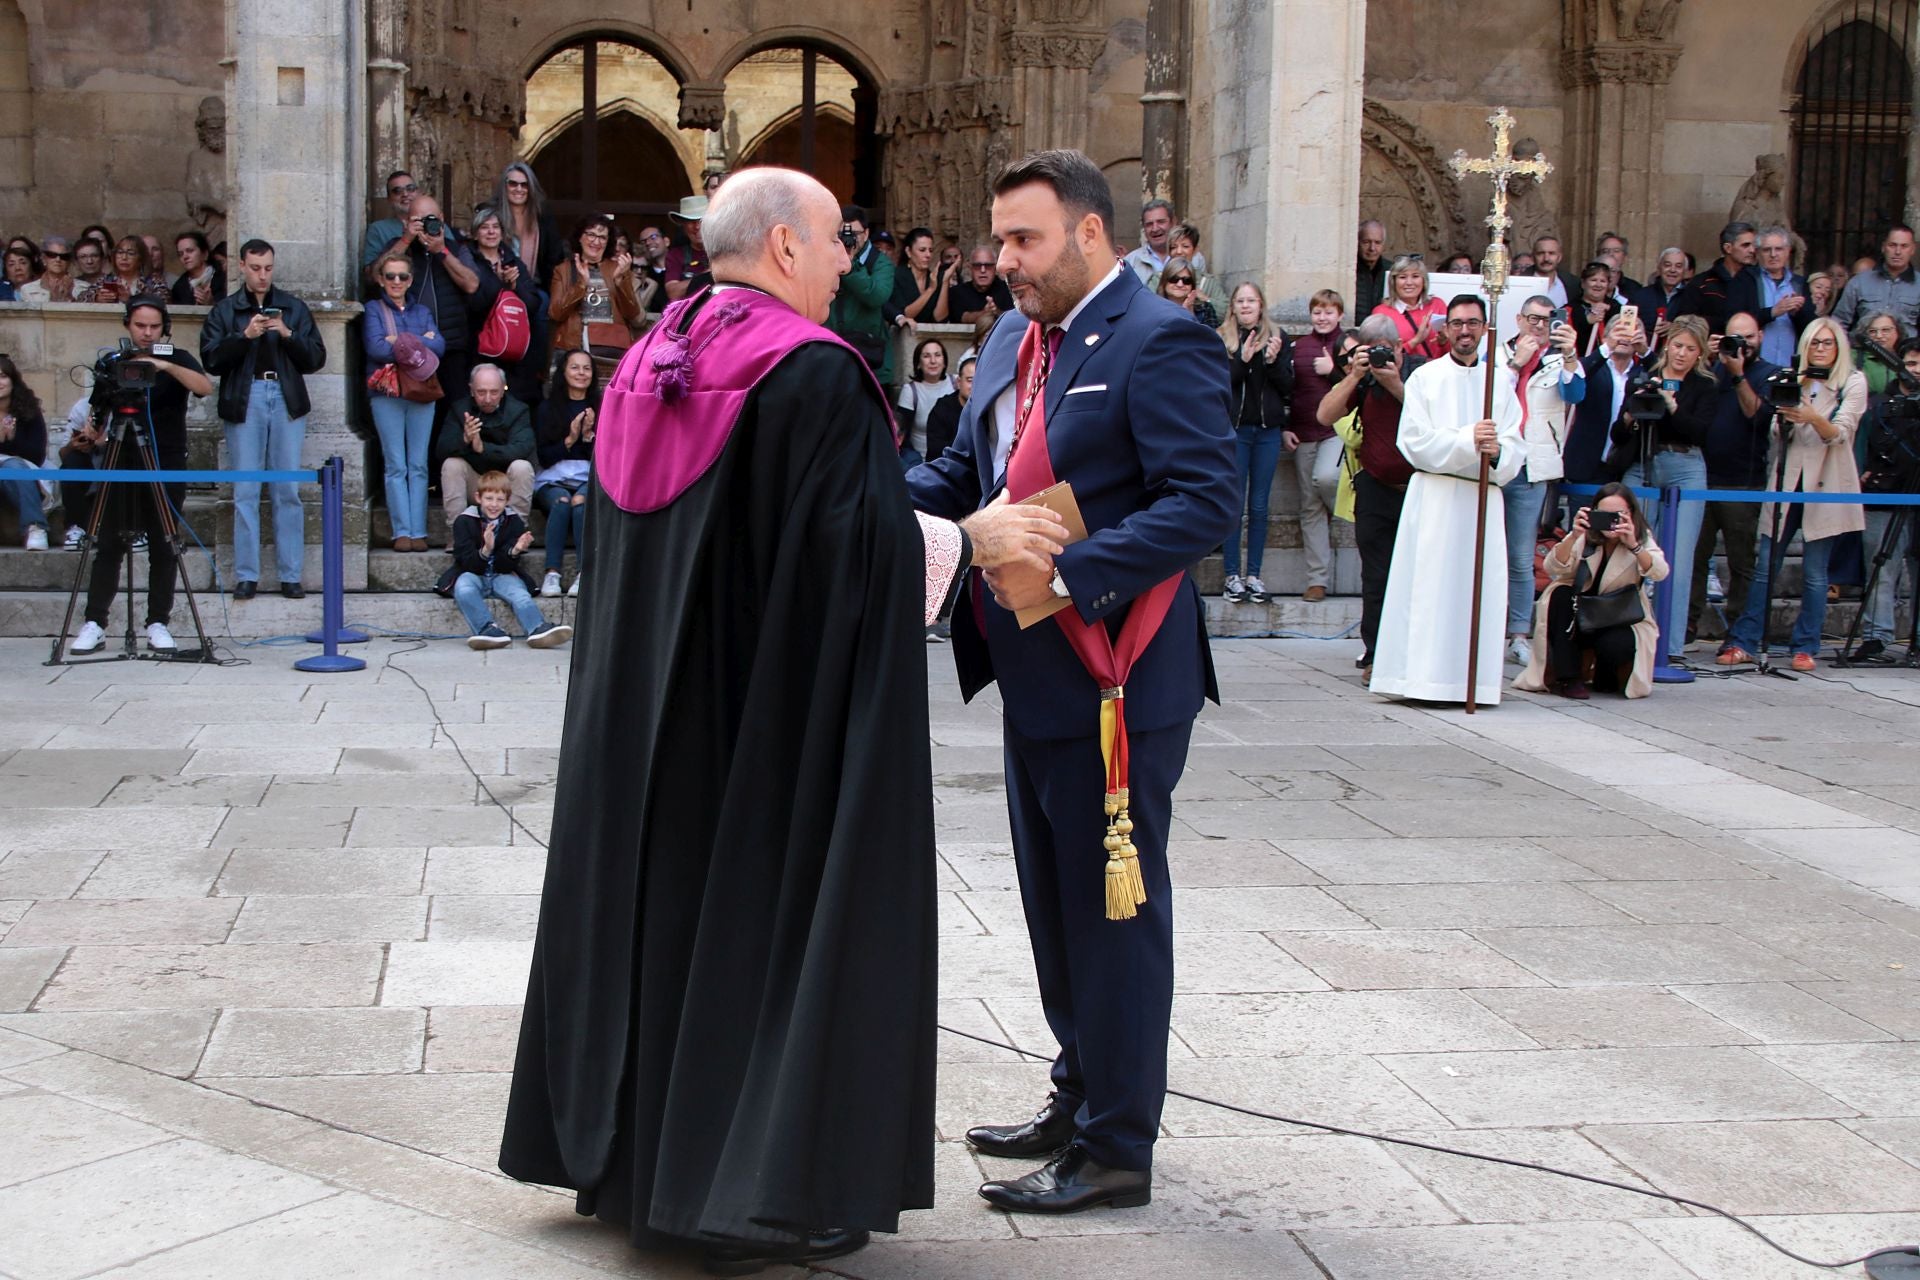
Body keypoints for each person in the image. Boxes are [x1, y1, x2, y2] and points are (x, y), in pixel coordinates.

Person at [499, 164, 1064, 1274]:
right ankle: (744, 1183)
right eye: (836, 241)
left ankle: (629, 1164)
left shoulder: (650, 359)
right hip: (758, 727)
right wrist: (967, 542)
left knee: (656, 920)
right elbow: (841, 558)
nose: (850, 261)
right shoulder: (806, 373)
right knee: (756, 923)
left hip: (647, 720)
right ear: (787, 249)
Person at [907, 147, 1236, 1218]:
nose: (1002, 260)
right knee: (1055, 905)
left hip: (1119, 675)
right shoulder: (1015, 333)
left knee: (1112, 908)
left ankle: (1116, 1146)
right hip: (1029, 666)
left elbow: (1203, 503)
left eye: (1024, 239)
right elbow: (971, 476)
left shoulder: (1161, 338)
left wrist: (1067, 571)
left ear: (1090, 233)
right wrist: (864, 492)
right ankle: (1077, 1088)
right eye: (999, 238)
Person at [1369, 294, 1524, 705]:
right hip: (1437, 497)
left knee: (1476, 591)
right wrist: (1466, 441)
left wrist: (1498, 452)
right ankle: (1422, 680)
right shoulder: (1425, 378)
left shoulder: (1500, 380)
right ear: (1445, 329)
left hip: (1480, 500)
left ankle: (1473, 683)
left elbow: (1514, 444)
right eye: (1457, 323)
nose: (1465, 331)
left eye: (1473, 323)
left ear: (1486, 328)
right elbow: (1414, 442)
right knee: (1429, 591)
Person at [1717, 318, 1869, 670]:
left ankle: (1805, 646)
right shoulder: (1792, 377)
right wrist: (1786, 417)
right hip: (1788, 480)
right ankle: (1746, 640)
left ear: (1839, 347)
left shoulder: (1852, 381)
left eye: (1827, 343)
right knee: (1765, 566)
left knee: (1815, 572)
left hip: (1825, 483)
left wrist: (1811, 416)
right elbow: (1774, 429)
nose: (1820, 349)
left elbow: (1841, 433)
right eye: (1814, 343)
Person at [68, 297, 214, 656]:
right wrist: (93, 432)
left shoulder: (174, 357)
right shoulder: (113, 362)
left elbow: (203, 387)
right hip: (121, 458)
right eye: (139, 326)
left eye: (154, 326)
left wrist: (161, 366)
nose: (147, 333)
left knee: (164, 543)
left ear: (164, 326)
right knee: (109, 544)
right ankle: (95, 623)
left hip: (165, 458)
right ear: (127, 326)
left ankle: (157, 623)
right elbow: (98, 410)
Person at [199, 239, 326, 600]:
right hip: (246, 395)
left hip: (284, 396)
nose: (262, 275)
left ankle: (290, 574)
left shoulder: (292, 307)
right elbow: (211, 360)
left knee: (287, 489)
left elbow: (316, 358)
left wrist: (287, 333)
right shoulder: (226, 310)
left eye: (268, 268)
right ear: (241, 266)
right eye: (255, 268)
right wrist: (244, 336)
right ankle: (247, 575)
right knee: (246, 490)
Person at [1606, 314, 1716, 663]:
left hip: (1686, 466)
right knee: (1626, 544)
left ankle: (1670, 647)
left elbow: (1699, 433)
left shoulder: (1705, 386)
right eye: (1677, 345)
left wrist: (1671, 407)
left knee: (1678, 559)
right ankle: (1618, 633)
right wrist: (1631, 415)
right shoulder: (1644, 376)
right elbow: (1619, 435)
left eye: (1690, 349)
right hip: (1643, 461)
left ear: (1699, 354)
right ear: (1667, 345)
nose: (1681, 354)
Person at [1318, 315, 1419, 672]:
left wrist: (1393, 383)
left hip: (1418, 491)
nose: (1379, 356)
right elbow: (1324, 414)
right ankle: (1375, 653)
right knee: (1375, 576)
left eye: (1385, 350)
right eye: (1370, 349)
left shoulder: (1420, 374)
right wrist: (1355, 375)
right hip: (1375, 488)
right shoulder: (1361, 380)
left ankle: (1413, 652)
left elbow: (1431, 417)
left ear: (1399, 349)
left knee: (1416, 575)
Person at [1514, 483, 1670, 699]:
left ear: (1631, 514)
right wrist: (1574, 535)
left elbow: (1660, 572)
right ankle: (1568, 679)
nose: (1611, 521)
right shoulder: (1586, 535)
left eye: (1619, 514)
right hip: (1580, 610)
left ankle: (1605, 674)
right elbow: (1553, 568)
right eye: (1604, 514)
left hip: (1618, 614)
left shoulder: (1641, 537)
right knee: (1560, 594)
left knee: (1615, 645)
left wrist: (1634, 546)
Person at [1500, 295, 1585, 668]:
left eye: (1547, 320)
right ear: (1518, 319)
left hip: (1532, 467)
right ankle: (1481, 626)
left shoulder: (1561, 360)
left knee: (1520, 556)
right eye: (1532, 318)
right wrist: (1516, 364)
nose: (1538, 326)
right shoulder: (1498, 354)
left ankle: (1519, 632)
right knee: (1484, 553)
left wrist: (1570, 356)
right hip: (1497, 461)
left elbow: (1576, 393)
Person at [1691, 310, 1779, 643]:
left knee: (1742, 563)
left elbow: (1757, 417)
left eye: (1749, 337)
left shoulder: (1769, 373)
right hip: (1701, 479)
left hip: (1743, 482)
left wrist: (1738, 374)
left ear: (1761, 338)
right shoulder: (1712, 370)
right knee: (1695, 558)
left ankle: (1739, 629)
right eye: (1734, 337)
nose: (1741, 344)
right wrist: (1708, 357)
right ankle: (1686, 624)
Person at [363, 251, 444, 551]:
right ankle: (402, 532)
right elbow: (375, 348)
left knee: (419, 464)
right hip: (387, 394)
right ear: (381, 280)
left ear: (411, 280)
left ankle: (419, 531)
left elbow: (440, 346)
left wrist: (398, 340)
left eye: (402, 276)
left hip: (421, 392)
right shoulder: (373, 309)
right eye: (390, 276)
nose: (396, 281)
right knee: (396, 464)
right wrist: (419, 340)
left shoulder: (422, 310)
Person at [1219, 282, 1292, 604]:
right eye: (1240, 301)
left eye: (1252, 300)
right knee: (1234, 504)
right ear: (1232, 306)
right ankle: (1232, 575)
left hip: (1266, 432)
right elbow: (1219, 385)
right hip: (1235, 431)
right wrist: (1244, 361)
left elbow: (1288, 386)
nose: (1246, 306)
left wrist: (1273, 362)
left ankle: (1255, 576)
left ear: (1261, 305)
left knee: (1260, 506)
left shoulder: (1277, 337)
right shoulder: (1222, 337)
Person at [449, 471, 572, 651]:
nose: (494, 505)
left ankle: (537, 628)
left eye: (500, 500)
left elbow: (504, 566)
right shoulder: (464, 521)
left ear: (507, 500)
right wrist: (486, 549)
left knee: (519, 592)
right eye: (489, 498)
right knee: (463, 589)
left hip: (501, 574)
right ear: (478, 498)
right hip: (473, 573)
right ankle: (487, 629)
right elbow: (466, 562)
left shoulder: (514, 522)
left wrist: (514, 550)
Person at [1853, 339, 1920, 658]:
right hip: (1884, 493)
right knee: (1880, 569)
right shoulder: (1879, 404)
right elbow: (1863, 443)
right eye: (1910, 363)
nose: (1915, 370)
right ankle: (1876, 635)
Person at [548, 215, 645, 385]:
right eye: (591, 234)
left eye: (602, 237)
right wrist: (581, 285)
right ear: (580, 237)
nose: (596, 241)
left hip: (610, 352)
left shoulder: (617, 268)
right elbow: (556, 313)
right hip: (574, 350)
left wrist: (621, 281)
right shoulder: (562, 270)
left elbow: (632, 314)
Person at [467, 203, 547, 407]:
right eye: (485, 227)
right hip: (482, 346)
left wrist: (515, 286)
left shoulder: (514, 261)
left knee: (517, 402)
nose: (491, 231)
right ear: (475, 234)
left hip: (516, 348)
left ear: (503, 233)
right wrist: (500, 283)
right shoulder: (469, 260)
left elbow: (534, 303)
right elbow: (475, 303)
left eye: (496, 227)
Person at [438, 363, 536, 528]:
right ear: (471, 389)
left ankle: (515, 531)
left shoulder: (518, 410)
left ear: (503, 389)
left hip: (505, 483)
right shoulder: (459, 409)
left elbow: (522, 449)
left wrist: (483, 448)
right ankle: (458, 532)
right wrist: (464, 439)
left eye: (494, 392)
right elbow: (441, 450)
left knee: (523, 467)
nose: (488, 399)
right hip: (475, 483)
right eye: (481, 392)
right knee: (451, 465)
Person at [532, 349, 596, 599]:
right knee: (561, 503)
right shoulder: (548, 408)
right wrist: (569, 439)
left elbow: (607, 456)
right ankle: (552, 572)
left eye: (586, 368)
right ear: (563, 372)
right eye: (575, 367)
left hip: (588, 480)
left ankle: (583, 574)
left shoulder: (602, 406)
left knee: (580, 504)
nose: (581, 373)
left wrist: (589, 435)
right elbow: (545, 457)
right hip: (554, 479)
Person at [1562, 312, 1650, 486]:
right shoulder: (1594, 365)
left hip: (1626, 466)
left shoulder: (1644, 373)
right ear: (1605, 336)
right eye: (1619, 330)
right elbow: (1575, 376)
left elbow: (1665, 376)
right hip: (1586, 464)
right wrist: (1607, 348)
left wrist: (1645, 352)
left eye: (1632, 331)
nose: (1624, 336)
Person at [827, 204, 896, 382]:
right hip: (832, 349)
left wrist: (851, 269)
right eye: (842, 233)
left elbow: (877, 296)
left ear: (866, 234)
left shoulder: (880, 263)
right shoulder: (826, 258)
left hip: (868, 355)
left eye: (854, 234)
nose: (848, 239)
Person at [1731, 225, 1813, 367]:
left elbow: (1811, 327)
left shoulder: (1799, 283)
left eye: (1779, 249)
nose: (1773, 254)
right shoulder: (1745, 279)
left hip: (1791, 366)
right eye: (1767, 250)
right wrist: (1772, 312)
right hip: (1753, 366)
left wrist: (1797, 314)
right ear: (1757, 253)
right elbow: (1733, 320)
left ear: (1788, 251)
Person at [1671, 221, 1758, 334]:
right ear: (1728, 248)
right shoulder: (1701, 284)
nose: (1752, 250)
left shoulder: (1755, 281)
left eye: (1753, 245)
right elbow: (1685, 324)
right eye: (1745, 245)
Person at [0, 353, 50, 549]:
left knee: (13, 466)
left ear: (13, 381)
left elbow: (37, 455)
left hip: (17, 469)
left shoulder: (28, 411)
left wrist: (11, 439)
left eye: (3, 376)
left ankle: (36, 527)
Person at [1831, 224, 1920, 333]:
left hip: (1905, 349)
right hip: (1863, 348)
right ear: (1883, 247)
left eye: (1904, 246)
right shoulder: (1858, 283)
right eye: (1892, 245)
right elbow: (1838, 324)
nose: (1898, 251)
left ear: (1912, 249)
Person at [492, 161, 563, 292]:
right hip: (498, 288)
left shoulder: (543, 218)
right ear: (504, 186)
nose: (519, 189)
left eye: (525, 185)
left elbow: (554, 259)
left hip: (536, 290)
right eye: (513, 184)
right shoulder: (491, 215)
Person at [1372, 254, 1448, 359]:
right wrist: (1416, 340)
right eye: (1402, 277)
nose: (1409, 283)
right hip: (1401, 372)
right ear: (1393, 282)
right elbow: (1379, 356)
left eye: (1415, 276)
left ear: (1424, 280)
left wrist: (1444, 342)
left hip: (1436, 371)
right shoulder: (1381, 312)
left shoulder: (1437, 305)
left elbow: (1453, 351)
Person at [895, 337, 953, 468]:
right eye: (926, 356)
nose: (933, 361)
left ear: (944, 361)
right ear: (918, 363)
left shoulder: (956, 384)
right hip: (920, 460)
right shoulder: (910, 391)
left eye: (937, 355)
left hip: (951, 457)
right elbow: (903, 431)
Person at [1150, 223, 1227, 316]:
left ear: (1195, 250)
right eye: (1173, 247)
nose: (1179, 251)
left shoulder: (1207, 282)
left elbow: (1225, 312)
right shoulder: (1157, 279)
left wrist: (1204, 299)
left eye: (1185, 246)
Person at [361, 170, 419, 285]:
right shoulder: (378, 229)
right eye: (397, 191)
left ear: (418, 193)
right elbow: (370, 275)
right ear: (389, 199)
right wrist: (406, 239)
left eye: (410, 188)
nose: (405, 194)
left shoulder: (435, 225)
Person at [935, 243, 1015, 326]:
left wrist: (997, 312)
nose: (983, 270)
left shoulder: (1009, 290)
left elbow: (1016, 318)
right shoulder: (957, 292)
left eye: (988, 266)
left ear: (995, 267)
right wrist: (985, 314)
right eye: (977, 265)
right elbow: (962, 317)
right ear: (970, 268)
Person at [1635, 246, 1691, 350]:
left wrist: (1676, 327)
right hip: (1643, 354)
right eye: (1667, 265)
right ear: (1659, 268)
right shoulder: (1641, 296)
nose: (1673, 270)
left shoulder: (1693, 297)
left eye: (1678, 266)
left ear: (1685, 271)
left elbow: (1697, 329)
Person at [887, 226, 941, 334]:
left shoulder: (934, 277)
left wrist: (944, 281)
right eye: (922, 250)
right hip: (902, 340)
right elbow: (905, 313)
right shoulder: (896, 275)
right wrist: (930, 290)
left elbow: (940, 318)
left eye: (931, 250)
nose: (928, 255)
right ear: (908, 252)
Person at [82, 236, 167, 305]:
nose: (124, 258)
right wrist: (96, 298)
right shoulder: (107, 280)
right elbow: (81, 298)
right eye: (120, 252)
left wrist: (131, 299)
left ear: (140, 259)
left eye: (130, 253)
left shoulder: (153, 281)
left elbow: (162, 302)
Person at [924, 353, 972, 464]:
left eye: (979, 380)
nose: (975, 385)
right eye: (970, 380)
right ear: (959, 382)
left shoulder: (989, 409)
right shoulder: (942, 409)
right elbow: (936, 451)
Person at [660, 195, 710, 301]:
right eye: (691, 222)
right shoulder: (675, 255)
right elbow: (673, 292)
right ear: (683, 225)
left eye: (701, 221)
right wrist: (709, 274)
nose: (697, 227)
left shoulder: (725, 251)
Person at [1569, 260, 1620, 356]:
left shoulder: (1617, 308)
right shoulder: (1570, 309)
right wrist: (1586, 320)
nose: (1598, 285)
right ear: (1583, 283)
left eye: (1603, 281)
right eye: (1593, 280)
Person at [1122, 197, 1176, 282]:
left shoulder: (1192, 258)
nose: (1155, 229)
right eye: (1149, 224)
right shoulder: (1130, 262)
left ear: (1173, 222)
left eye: (1161, 222)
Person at [1155, 255, 1218, 328]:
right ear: (1164, 282)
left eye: (1186, 280)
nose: (1180, 284)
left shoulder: (1205, 308)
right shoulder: (1153, 308)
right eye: (1174, 279)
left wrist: (1191, 316)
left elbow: (1211, 338)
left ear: (1192, 285)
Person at [169, 230, 224, 307]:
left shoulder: (223, 278)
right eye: (180, 254)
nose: (185, 257)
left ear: (205, 254)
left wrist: (212, 304)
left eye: (190, 251)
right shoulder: (179, 288)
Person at [18, 236, 74, 303]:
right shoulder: (27, 289)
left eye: (64, 256)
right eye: (52, 255)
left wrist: (68, 295)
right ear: (43, 259)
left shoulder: (85, 288)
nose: (58, 259)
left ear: (69, 261)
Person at [1530, 234, 1579, 307]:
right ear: (1533, 257)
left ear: (1559, 257)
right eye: (1540, 253)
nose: (1546, 258)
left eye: (1551, 253)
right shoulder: (1518, 283)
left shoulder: (1573, 284)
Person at [1355, 220, 1389, 316]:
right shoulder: (1349, 271)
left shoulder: (1392, 270)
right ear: (1357, 242)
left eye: (1377, 242)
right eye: (1366, 242)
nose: (1372, 248)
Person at [635, 224, 670, 315]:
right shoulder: (643, 274)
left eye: (653, 237)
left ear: (666, 241)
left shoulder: (681, 268)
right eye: (643, 241)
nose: (648, 243)